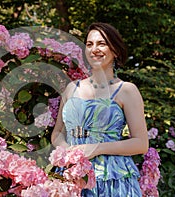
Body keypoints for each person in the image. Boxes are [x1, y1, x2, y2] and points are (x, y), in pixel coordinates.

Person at [51, 22, 149, 196]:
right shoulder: (71, 88)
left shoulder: (127, 90)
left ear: (115, 50)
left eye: (101, 44)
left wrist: (96, 149)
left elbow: (141, 143)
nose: (94, 49)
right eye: (90, 44)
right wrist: (69, 152)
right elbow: (58, 132)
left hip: (112, 178)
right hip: (72, 177)